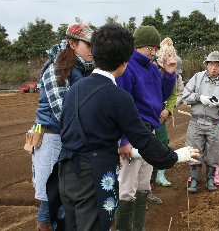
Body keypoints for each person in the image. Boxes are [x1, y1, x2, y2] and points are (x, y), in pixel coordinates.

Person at [57, 23, 199, 231]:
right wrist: (175, 156)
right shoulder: (118, 97)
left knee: (73, 225)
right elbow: (142, 138)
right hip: (96, 173)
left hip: (67, 172)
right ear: (124, 63)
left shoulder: (75, 88)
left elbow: (66, 127)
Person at [31, 23, 94, 231]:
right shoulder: (58, 67)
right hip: (52, 138)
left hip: (68, 137)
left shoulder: (82, 69)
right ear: (72, 43)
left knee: (63, 197)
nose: (92, 50)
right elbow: (62, 112)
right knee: (52, 197)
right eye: (88, 45)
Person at [115, 26, 177, 230]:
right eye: (148, 48)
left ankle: (138, 227)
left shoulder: (151, 68)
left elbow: (161, 95)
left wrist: (169, 74)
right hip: (133, 132)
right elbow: (121, 106)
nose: (152, 53)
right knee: (127, 187)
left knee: (143, 184)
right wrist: (124, 139)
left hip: (149, 131)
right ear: (137, 46)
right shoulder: (127, 67)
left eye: (155, 49)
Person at [181, 51, 219, 193]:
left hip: (214, 124)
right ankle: (194, 180)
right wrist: (199, 97)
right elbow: (185, 96)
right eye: (211, 64)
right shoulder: (197, 77)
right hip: (196, 122)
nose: (213, 68)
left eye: (217, 65)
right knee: (194, 151)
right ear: (207, 65)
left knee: (213, 152)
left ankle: (211, 179)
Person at [153, 37, 178, 189]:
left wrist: (167, 110)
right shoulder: (151, 69)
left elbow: (173, 95)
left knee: (162, 142)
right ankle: (148, 176)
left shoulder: (171, 73)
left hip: (160, 115)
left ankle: (160, 174)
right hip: (148, 113)